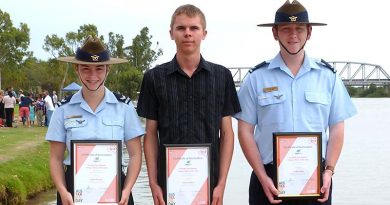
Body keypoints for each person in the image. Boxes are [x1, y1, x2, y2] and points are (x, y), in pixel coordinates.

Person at [234, 1, 357, 204]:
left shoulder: (329, 77)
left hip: (316, 180)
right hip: (267, 181)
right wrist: (261, 176)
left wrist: (329, 171)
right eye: (286, 29)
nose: (293, 35)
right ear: (274, 33)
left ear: (309, 32)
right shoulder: (256, 78)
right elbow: (245, 131)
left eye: (299, 29)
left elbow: (337, 128)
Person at [137, 4, 241, 205]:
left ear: (204, 33)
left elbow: (227, 133)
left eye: (194, 28)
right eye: (181, 28)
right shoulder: (153, 78)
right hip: (167, 185)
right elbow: (150, 134)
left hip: (210, 185)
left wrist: (222, 183)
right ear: (171, 33)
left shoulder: (222, 76)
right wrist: (152, 181)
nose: (187, 34)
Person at [45, 36, 145, 205]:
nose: (93, 75)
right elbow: (55, 158)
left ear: (108, 70)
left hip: (117, 191)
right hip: (72, 193)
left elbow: (135, 154)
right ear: (76, 69)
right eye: (86, 69)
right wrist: (63, 191)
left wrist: (127, 189)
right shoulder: (62, 109)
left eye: (99, 68)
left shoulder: (124, 107)